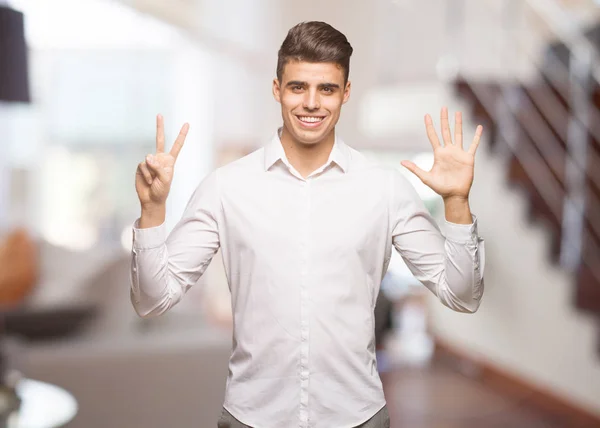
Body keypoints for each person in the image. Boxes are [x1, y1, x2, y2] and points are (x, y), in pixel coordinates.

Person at [130, 21, 485, 428]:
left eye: (327, 89)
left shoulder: (384, 188)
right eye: (298, 87)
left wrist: (457, 202)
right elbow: (151, 301)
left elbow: (462, 295)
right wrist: (153, 210)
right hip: (252, 417)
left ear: (346, 93)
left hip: (357, 417)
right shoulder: (225, 187)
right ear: (277, 88)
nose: (312, 103)